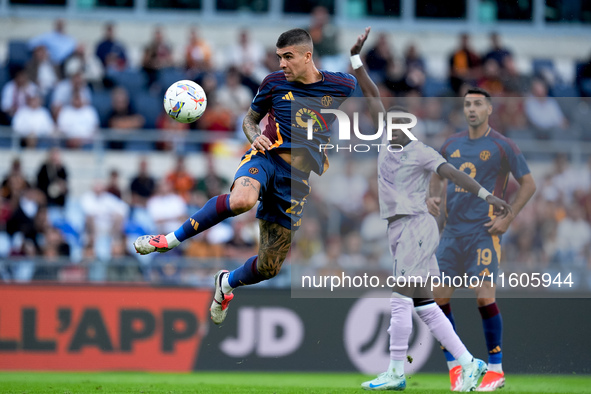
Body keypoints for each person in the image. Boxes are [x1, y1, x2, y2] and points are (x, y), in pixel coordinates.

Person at [134, 28, 357, 324]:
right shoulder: (274, 83)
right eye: (279, 58)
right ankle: (169, 240)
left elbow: (370, 95)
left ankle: (226, 283)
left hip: (295, 181)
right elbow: (250, 120)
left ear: (307, 56)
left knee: (269, 267)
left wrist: (358, 59)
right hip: (265, 158)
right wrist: (254, 137)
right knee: (242, 200)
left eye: (287, 57)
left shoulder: (342, 85)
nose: (281, 64)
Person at [352, 27, 511, 392]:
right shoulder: (385, 139)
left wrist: (488, 196)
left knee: (399, 297)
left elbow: (453, 175)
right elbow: (371, 92)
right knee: (424, 304)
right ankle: (470, 363)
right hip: (400, 227)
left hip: (415, 227)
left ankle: (395, 372)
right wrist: (356, 59)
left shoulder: (422, 152)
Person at [427, 87, 536, 391]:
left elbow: (528, 184)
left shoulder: (504, 146)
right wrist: (434, 196)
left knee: (484, 296)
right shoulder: (451, 144)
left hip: (483, 233)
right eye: (467, 104)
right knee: (438, 300)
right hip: (451, 233)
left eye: (477, 104)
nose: (471, 109)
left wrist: (508, 219)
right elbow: (436, 172)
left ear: (489, 109)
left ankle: (496, 370)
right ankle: (456, 368)